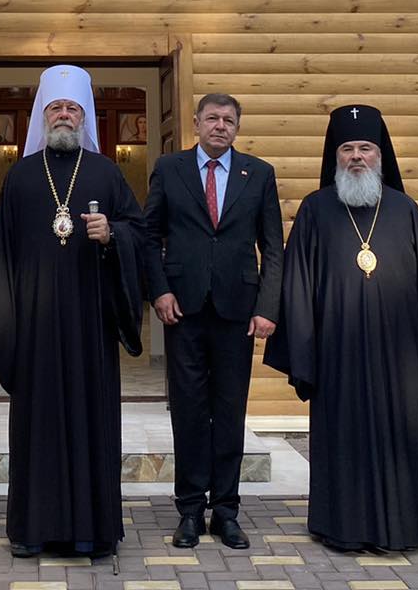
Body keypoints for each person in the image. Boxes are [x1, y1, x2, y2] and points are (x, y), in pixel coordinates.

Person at [0, 64, 145, 560]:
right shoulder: (21, 176)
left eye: (72, 108)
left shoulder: (107, 172)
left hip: (90, 324)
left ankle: (92, 530)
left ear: (84, 116)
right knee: (37, 424)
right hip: (36, 328)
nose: (64, 115)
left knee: (91, 420)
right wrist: (4, 324)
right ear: (43, 116)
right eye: (56, 108)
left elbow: (139, 232)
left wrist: (113, 235)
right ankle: (33, 529)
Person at [263, 104, 418, 553]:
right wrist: (305, 354)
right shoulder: (315, 210)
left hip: (401, 361)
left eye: (365, 148)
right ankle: (340, 526)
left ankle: (408, 525)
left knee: (402, 440)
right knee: (343, 442)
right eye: (347, 148)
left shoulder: (406, 211)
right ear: (335, 155)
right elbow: (297, 288)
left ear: (381, 155)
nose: (357, 156)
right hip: (337, 357)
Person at [140, 93, 281, 549]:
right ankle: (188, 510)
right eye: (212, 118)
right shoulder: (170, 169)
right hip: (183, 309)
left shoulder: (259, 173)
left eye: (229, 120)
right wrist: (159, 290)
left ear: (238, 127)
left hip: (238, 311)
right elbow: (148, 236)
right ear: (197, 123)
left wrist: (267, 307)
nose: (220, 126)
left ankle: (225, 511)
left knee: (229, 411)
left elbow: (273, 247)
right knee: (189, 412)